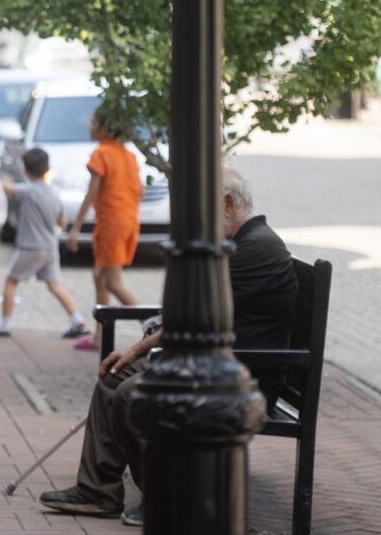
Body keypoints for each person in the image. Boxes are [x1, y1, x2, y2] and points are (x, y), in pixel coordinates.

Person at [40, 166, 298, 527]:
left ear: (226, 205)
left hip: (246, 377)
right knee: (113, 379)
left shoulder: (257, 249)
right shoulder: (241, 243)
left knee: (135, 393)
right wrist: (140, 351)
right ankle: (98, 491)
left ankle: (169, 494)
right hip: (215, 362)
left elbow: (193, 313)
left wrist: (138, 349)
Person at [0, 148, 89, 339]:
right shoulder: (54, 193)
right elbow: (62, 222)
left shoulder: (29, 191)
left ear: (25, 170)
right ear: (47, 168)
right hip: (50, 247)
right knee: (54, 284)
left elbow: (8, 188)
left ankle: (4, 324)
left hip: (30, 246)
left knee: (11, 280)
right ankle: (77, 319)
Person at [66, 108, 142, 351]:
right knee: (99, 276)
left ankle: (153, 324)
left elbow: (92, 193)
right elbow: (139, 190)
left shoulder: (101, 154)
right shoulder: (128, 155)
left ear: (105, 128)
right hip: (128, 221)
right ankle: (99, 335)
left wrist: (75, 228)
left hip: (111, 222)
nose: (90, 125)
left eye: (94, 121)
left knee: (112, 282)